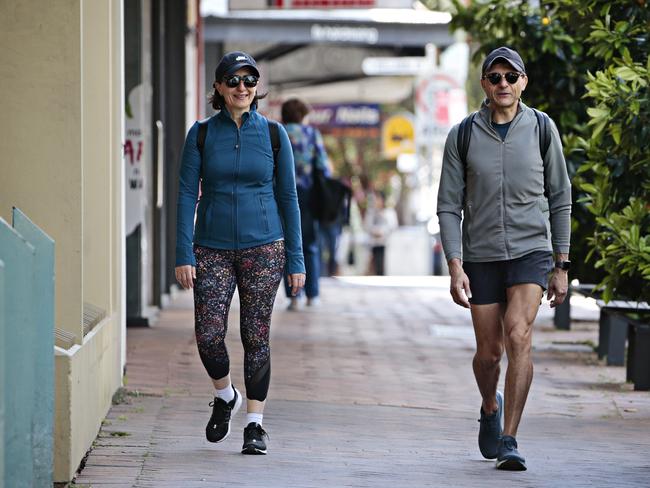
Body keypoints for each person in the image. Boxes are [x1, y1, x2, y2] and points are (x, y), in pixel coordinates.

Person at [437, 46, 571, 471]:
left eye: (511, 77)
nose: (503, 85)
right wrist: (455, 264)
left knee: (519, 336)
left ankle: (510, 438)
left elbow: (561, 198)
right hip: (481, 255)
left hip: (532, 250)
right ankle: (489, 406)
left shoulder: (542, 129)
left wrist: (562, 264)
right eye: (495, 77)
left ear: (523, 82)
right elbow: (447, 205)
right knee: (489, 353)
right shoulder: (462, 134)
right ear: (484, 84)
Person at [174, 51, 305, 455]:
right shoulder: (200, 134)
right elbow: (184, 194)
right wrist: (183, 251)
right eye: (233, 80)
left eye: (250, 80)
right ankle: (225, 394)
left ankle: (254, 423)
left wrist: (296, 259)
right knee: (208, 334)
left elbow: (288, 196)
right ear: (218, 87)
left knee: (256, 334)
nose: (242, 88)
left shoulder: (273, 134)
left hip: (264, 247)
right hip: (210, 247)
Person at [280, 97, 331, 309]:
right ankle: (313, 294)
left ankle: (293, 297)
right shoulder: (311, 134)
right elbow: (323, 167)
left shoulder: (278, 132)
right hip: (308, 195)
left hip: (281, 195)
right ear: (302, 115)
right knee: (309, 244)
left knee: (285, 244)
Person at [364, 191, 398, 276]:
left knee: (384, 268)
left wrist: (382, 232)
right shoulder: (371, 213)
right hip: (374, 245)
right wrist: (374, 231)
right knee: (376, 269)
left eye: (377, 199)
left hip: (386, 245)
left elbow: (393, 227)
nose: (376, 201)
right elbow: (367, 226)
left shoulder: (389, 212)